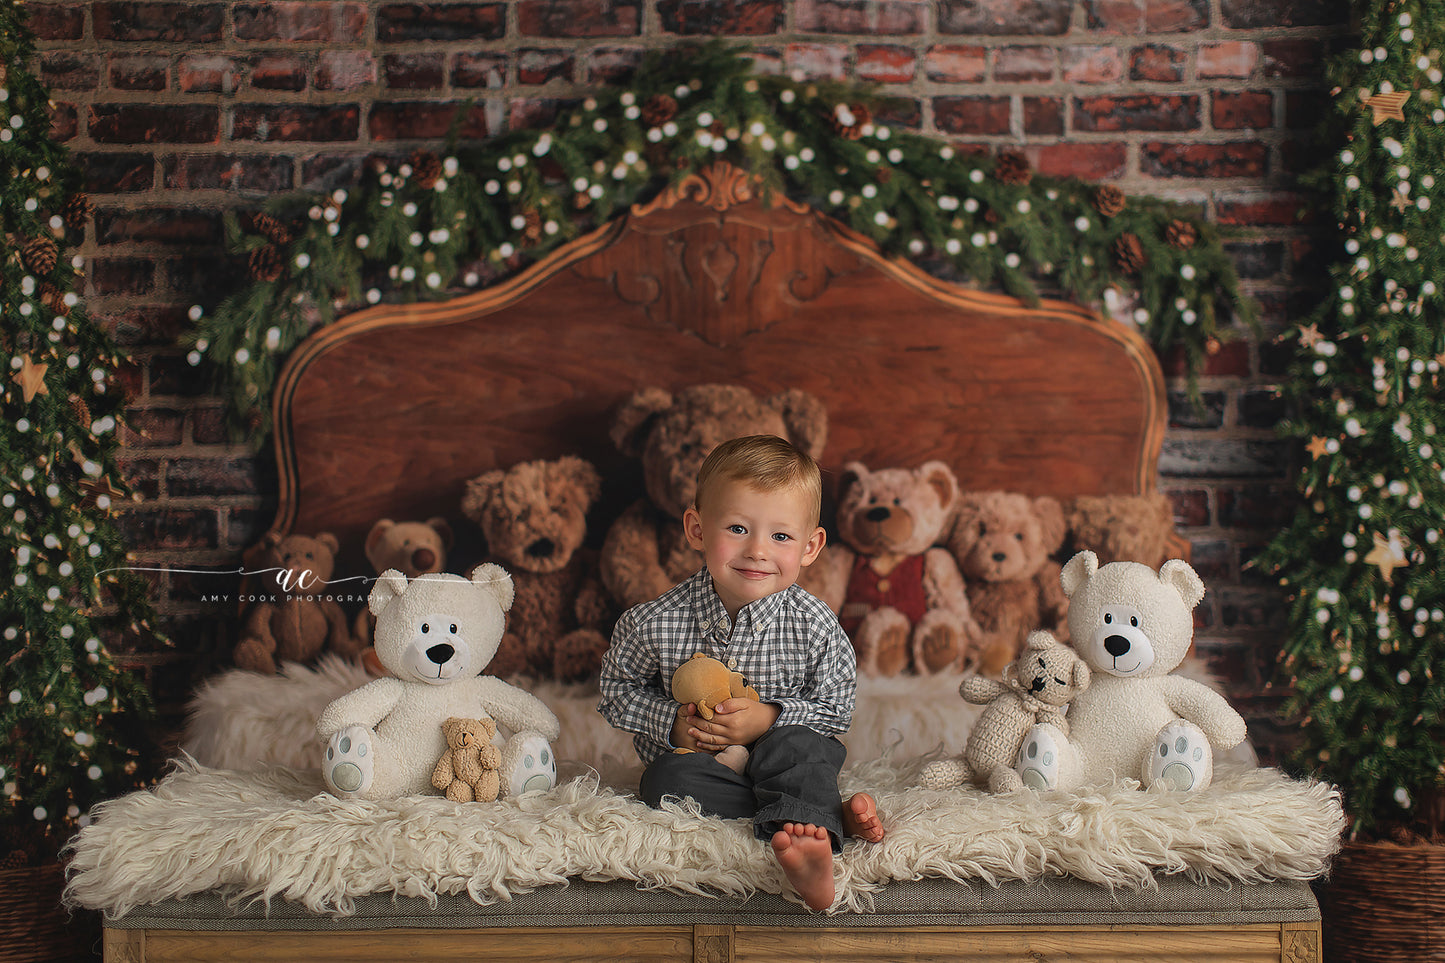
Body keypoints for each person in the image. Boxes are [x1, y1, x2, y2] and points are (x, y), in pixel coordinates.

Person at [598, 433, 884, 911]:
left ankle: (810, 840)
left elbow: (836, 710)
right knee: (664, 781)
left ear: (810, 547)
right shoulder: (654, 621)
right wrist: (670, 722)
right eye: (736, 528)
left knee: (802, 748)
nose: (757, 551)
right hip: (707, 767)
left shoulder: (815, 624)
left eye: (780, 536)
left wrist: (770, 717)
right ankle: (815, 815)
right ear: (696, 529)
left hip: (789, 755)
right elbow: (615, 691)